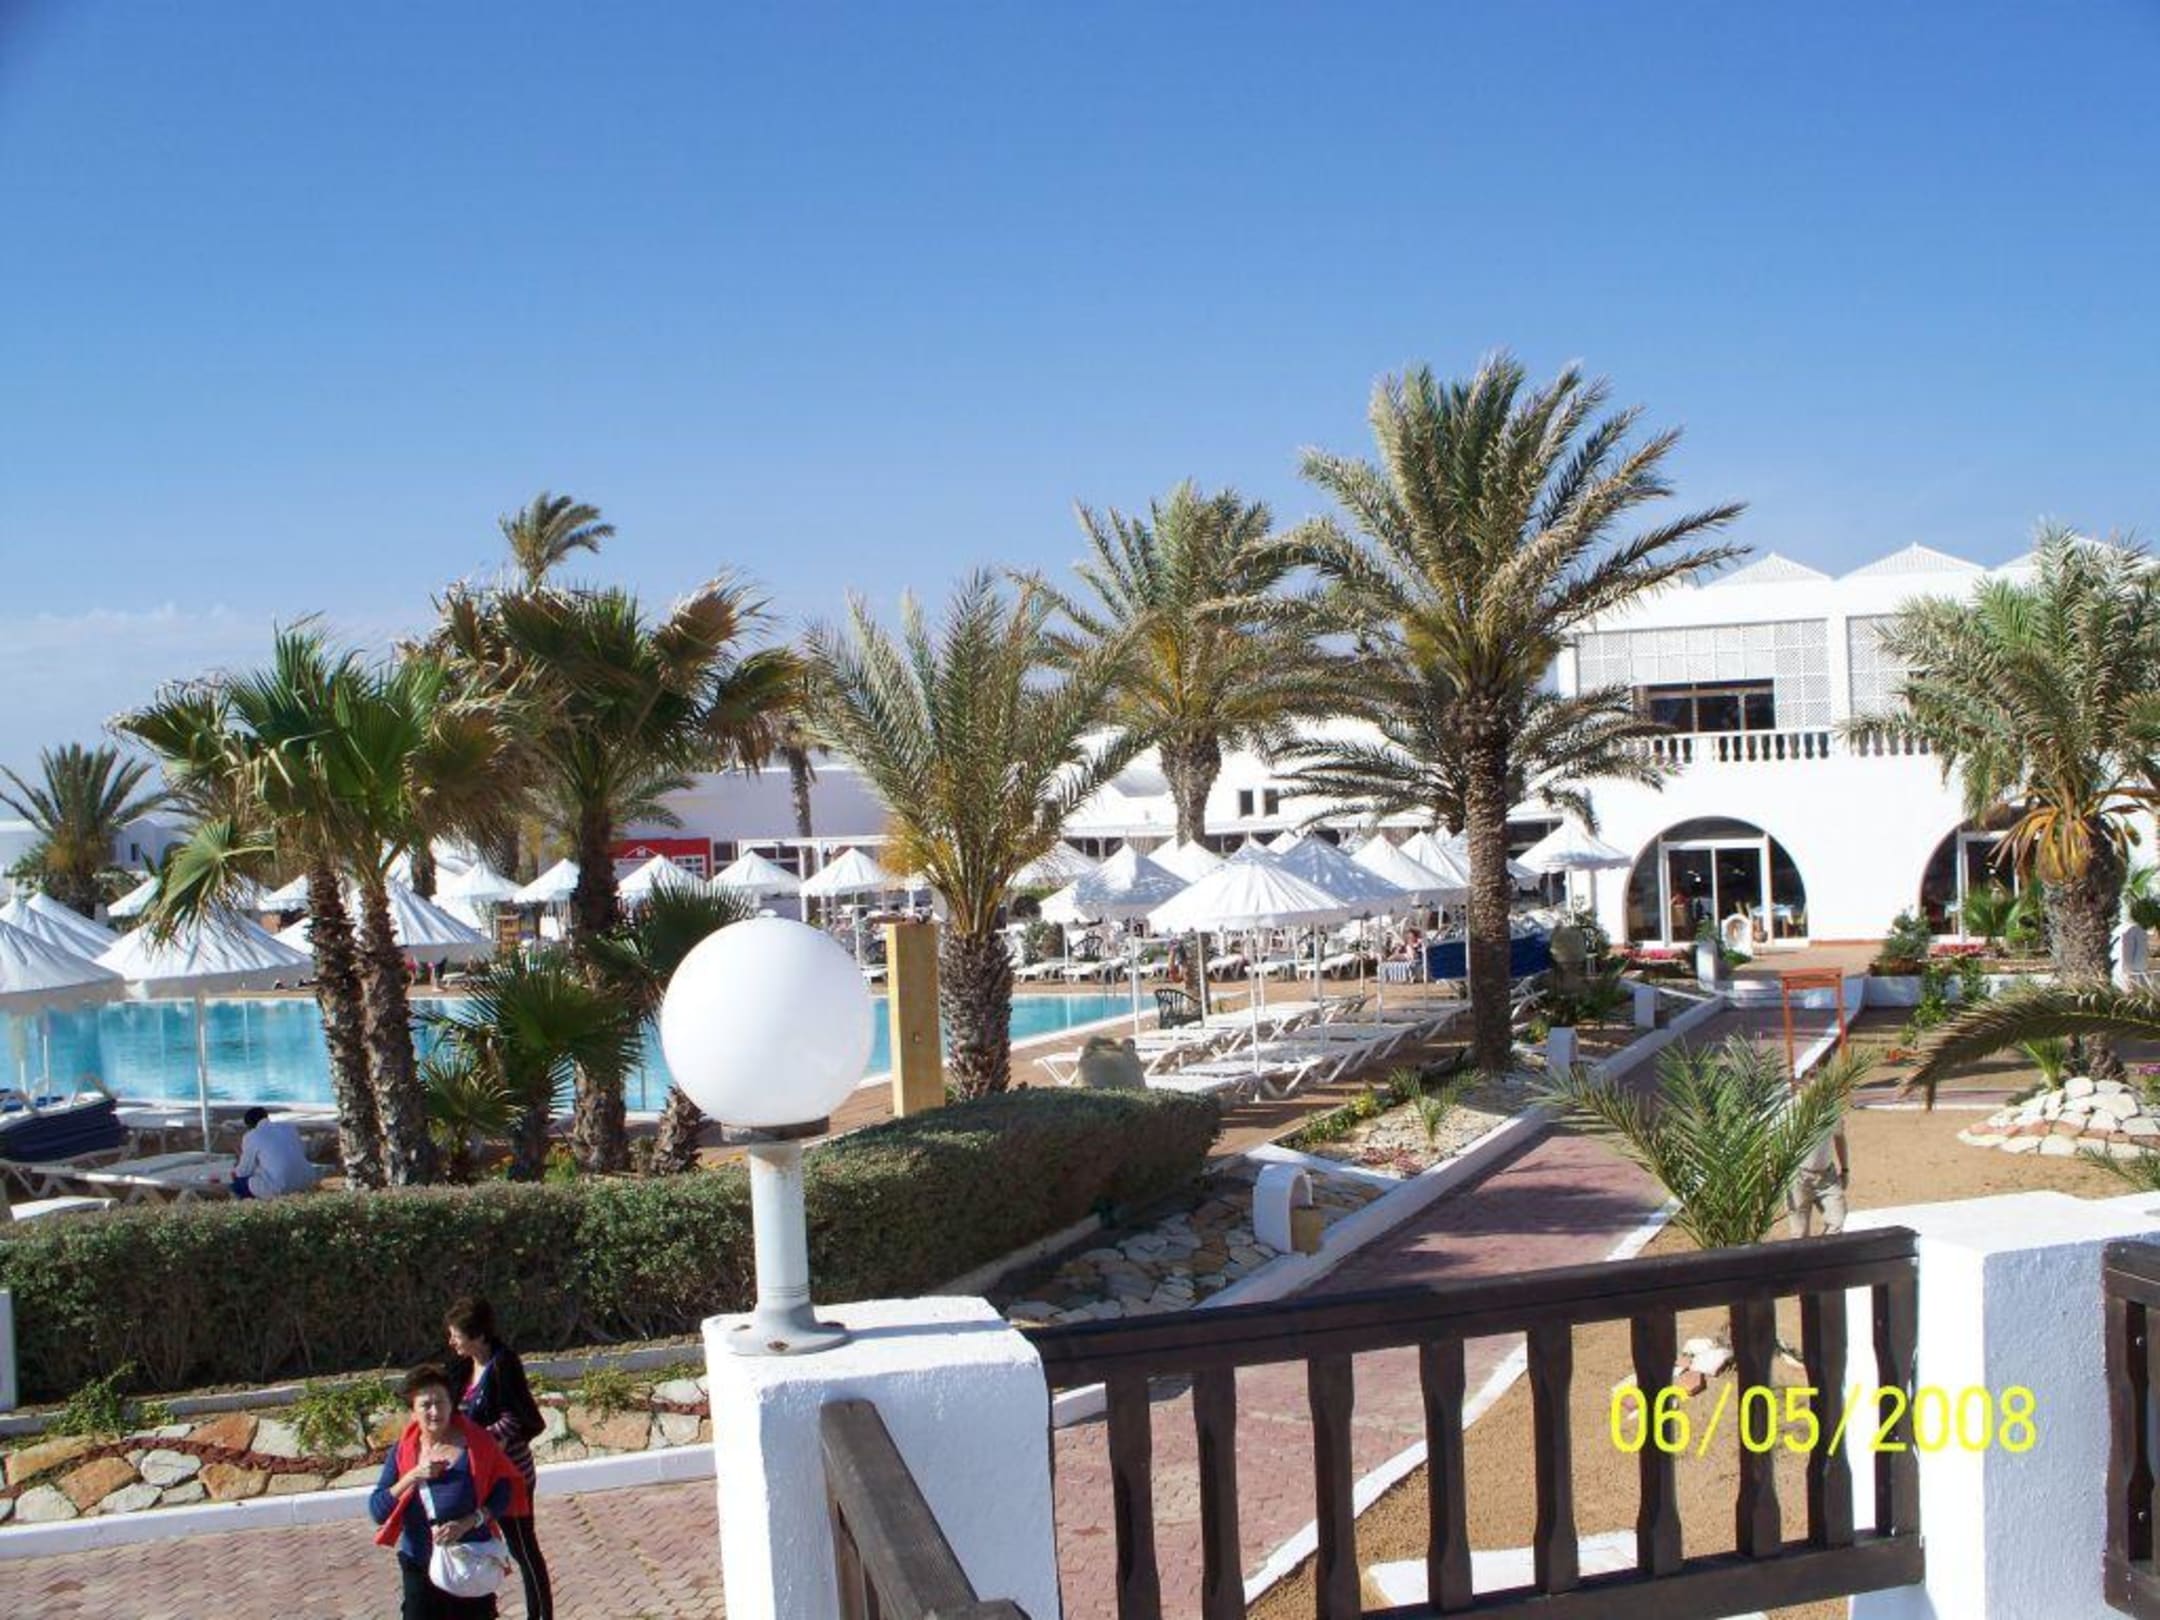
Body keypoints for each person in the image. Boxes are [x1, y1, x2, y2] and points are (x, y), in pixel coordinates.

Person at [370, 1363, 524, 1619]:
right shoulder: (402, 1453)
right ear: (413, 1412)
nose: (435, 1411)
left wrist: (469, 1522)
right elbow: (377, 1511)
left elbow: (503, 1493)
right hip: (420, 1563)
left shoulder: (478, 1444)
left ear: (451, 1404)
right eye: (425, 1405)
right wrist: (412, 1476)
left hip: (468, 1562)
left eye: (440, 1402)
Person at [445, 1297, 552, 1620]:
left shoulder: (503, 1364)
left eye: (457, 1335)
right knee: (476, 1545)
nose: (451, 1342)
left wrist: (476, 1440)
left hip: (510, 1473)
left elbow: (514, 1418)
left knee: (522, 1547)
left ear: (478, 1336)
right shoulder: (463, 1367)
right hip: (478, 1473)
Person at [232, 1107, 317, 1199]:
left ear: (249, 1126)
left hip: (280, 1187)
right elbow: (301, 1151)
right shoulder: (289, 1128)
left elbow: (243, 1171)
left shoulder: (252, 1135)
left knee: (237, 1184)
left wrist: (236, 1168)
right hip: (306, 1181)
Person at [1787, 1119, 1851, 1238]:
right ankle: (1810, 1250)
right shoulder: (1789, 1112)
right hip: (1798, 1177)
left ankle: (1824, 1249)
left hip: (1827, 1176)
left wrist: (1845, 1170)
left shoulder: (1831, 1111)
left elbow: (1839, 1137)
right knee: (1799, 1233)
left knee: (1838, 1221)